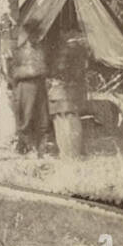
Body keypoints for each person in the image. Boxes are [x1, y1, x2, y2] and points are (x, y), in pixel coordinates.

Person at [47, 30, 89, 159]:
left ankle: (67, 154)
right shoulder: (83, 51)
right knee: (74, 122)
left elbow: (59, 70)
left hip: (62, 92)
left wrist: (52, 79)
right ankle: (74, 153)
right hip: (75, 93)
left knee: (62, 124)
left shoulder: (64, 52)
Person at [10, 18, 50, 155]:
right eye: (33, 34)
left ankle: (40, 149)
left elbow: (45, 67)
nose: (36, 38)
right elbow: (13, 72)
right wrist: (30, 71)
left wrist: (43, 71)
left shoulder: (41, 50)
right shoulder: (20, 52)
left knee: (42, 118)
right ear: (28, 35)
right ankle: (27, 148)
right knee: (26, 119)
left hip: (40, 86)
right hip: (26, 87)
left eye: (37, 35)